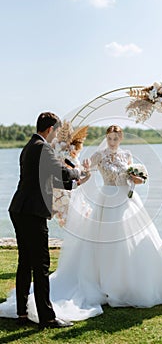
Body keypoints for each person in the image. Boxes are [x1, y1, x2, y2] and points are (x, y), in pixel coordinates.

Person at [1, 124, 162, 324]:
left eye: (116, 138)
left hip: (128, 201)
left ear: (121, 138)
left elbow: (135, 180)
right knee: (103, 244)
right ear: (106, 138)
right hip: (107, 200)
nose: (113, 142)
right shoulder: (99, 155)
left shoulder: (127, 155)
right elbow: (82, 170)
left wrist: (137, 178)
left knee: (135, 241)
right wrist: (79, 172)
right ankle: (105, 284)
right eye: (110, 138)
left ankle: (134, 283)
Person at [7, 112, 83, 329]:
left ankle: (22, 313)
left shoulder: (30, 146)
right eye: (56, 131)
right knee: (41, 265)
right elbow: (60, 172)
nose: (56, 135)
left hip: (20, 209)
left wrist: (75, 184)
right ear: (50, 129)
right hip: (32, 212)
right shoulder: (42, 147)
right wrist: (77, 172)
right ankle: (47, 317)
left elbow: (47, 178)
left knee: (25, 263)